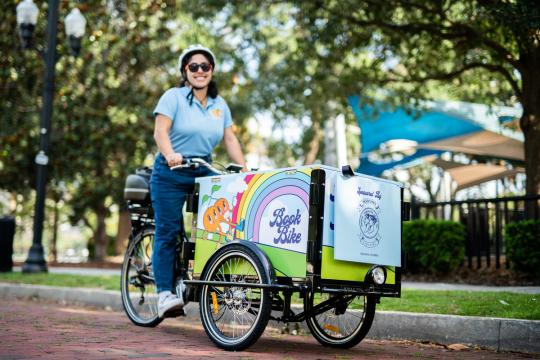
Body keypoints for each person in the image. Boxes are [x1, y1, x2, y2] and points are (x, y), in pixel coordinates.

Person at [150, 44, 247, 318]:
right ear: (185, 71)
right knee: (168, 231)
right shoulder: (173, 97)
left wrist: (245, 170)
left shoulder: (220, 105)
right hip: (171, 171)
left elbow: (229, 138)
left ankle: (196, 277)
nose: (200, 71)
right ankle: (164, 294)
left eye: (205, 66)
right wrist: (169, 154)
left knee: (217, 226)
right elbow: (161, 131)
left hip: (203, 168)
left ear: (212, 71)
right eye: (194, 66)